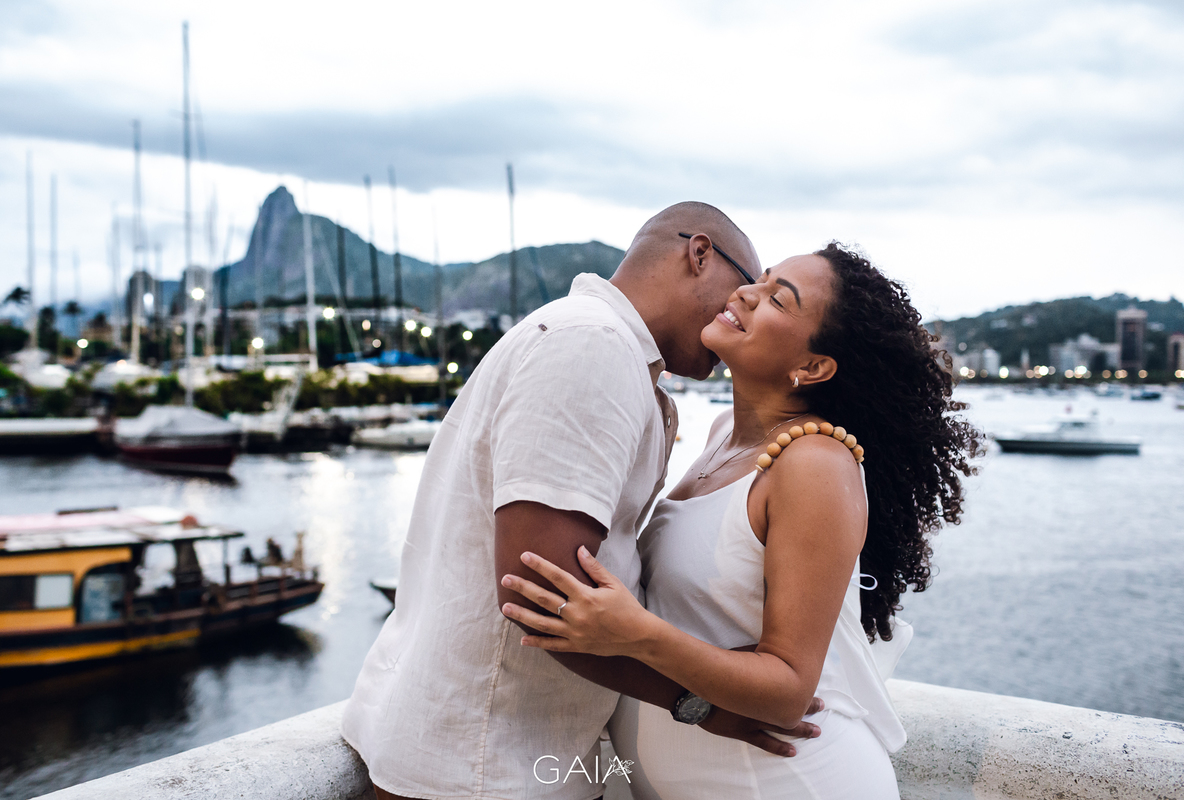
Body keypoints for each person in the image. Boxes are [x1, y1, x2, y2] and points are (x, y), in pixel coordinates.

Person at [342, 203, 823, 800]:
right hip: (487, 765)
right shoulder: (595, 346)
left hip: (494, 753)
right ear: (699, 254)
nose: (742, 303)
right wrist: (698, 702)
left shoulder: (599, 345)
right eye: (746, 283)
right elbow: (542, 594)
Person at [502, 243, 983, 799]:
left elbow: (788, 691)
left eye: (778, 298)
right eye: (763, 278)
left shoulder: (814, 463)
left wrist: (636, 634)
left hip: (790, 782)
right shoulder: (720, 438)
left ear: (812, 367)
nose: (747, 292)